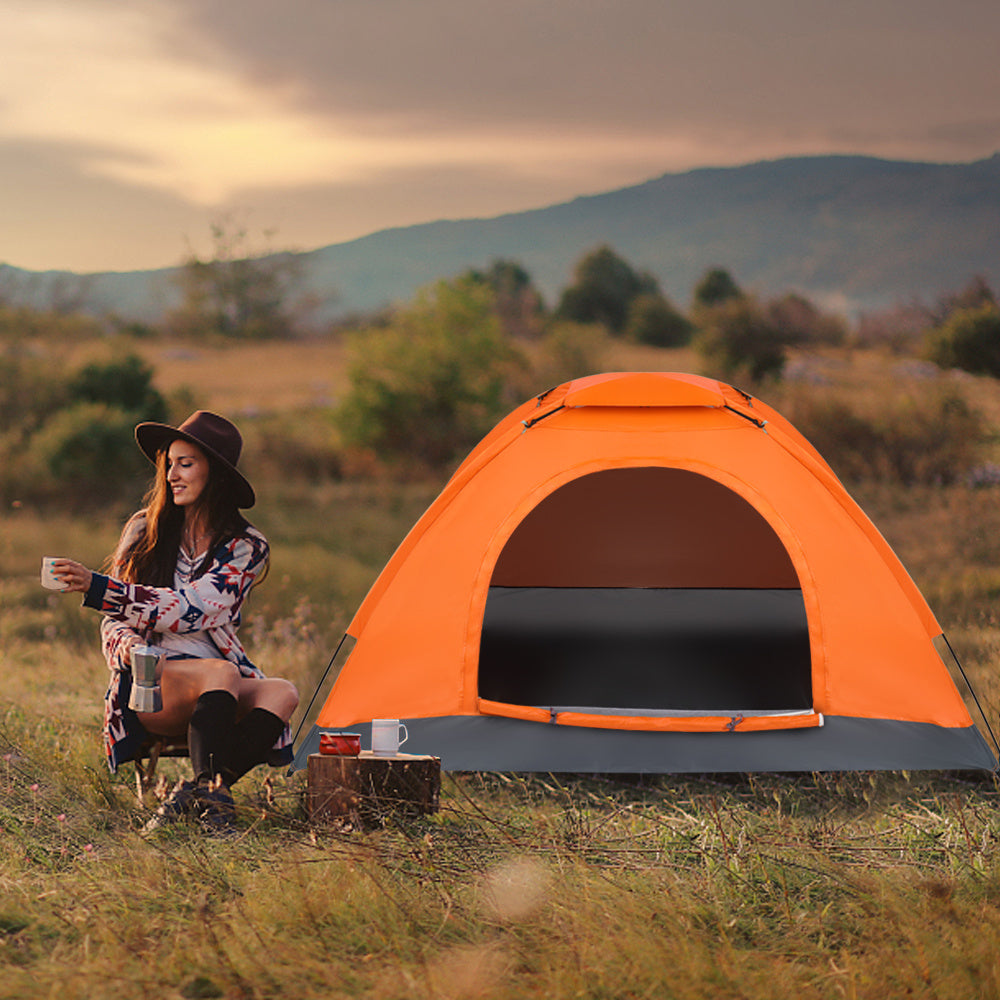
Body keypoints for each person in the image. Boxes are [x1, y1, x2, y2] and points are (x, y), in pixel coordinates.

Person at [50, 410, 299, 833]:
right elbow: (113, 622)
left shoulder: (245, 546)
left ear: (215, 475)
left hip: (218, 683)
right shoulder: (144, 530)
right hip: (152, 684)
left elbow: (193, 610)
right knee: (219, 673)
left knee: (282, 692)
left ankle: (199, 793)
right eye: (169, 464)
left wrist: (100, 587)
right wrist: (127, 648)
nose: (172, 476)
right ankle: (215, 812)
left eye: (186, 464)